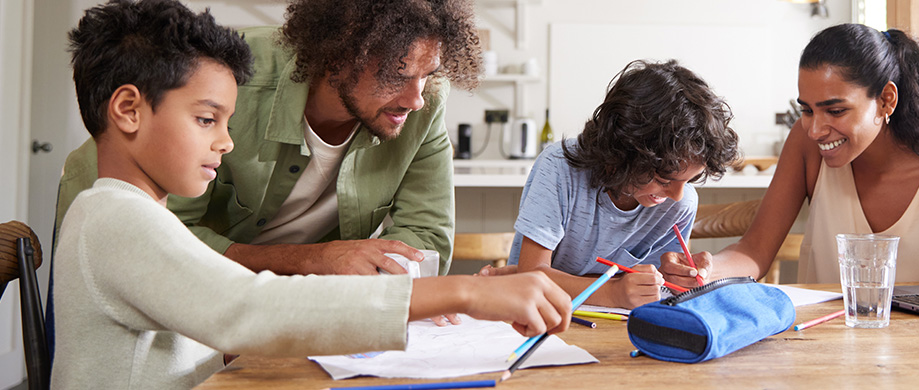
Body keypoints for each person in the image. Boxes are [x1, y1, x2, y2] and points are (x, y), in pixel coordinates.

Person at [51, 1, 571, 388]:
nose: (228, 141)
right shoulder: (112, 218)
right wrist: (465, 292)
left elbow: (206, 337)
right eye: (208, 120)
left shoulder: (136, 216)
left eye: (225, 122)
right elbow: (242, 308)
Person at [54, 0, 480, 278]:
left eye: (428, 75)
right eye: (397, 75)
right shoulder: (226, 87)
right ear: (337, 55)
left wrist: (398, 289)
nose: (417, 99)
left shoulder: (421, 104)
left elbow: (425, 236)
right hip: (147, 266)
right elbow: (167, 238)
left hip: (260, 297)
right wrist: (314, 263)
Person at [660, 24, 919, 287]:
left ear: (886, 100)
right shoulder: (806, 149)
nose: (816, 129)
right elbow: (754, 252)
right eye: (806, 110)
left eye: (835, 110)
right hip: (821, 352)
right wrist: (708, 268)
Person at [507, 60, 740, 309]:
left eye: (690, 180)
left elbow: (649, 290)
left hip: (614, 328)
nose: (677, 194)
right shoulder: (560, 168)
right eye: (664, 180)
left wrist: (670, 276)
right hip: (537, 319)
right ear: (622, 152)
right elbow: (531, 275)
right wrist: (612, 293)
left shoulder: (679, 204)